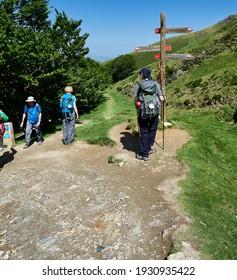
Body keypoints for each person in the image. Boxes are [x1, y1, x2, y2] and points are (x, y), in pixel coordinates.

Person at [134, 67, 164, 161]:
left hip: (143, 110)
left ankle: (144, 153)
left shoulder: (139, 84)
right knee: (153, 128)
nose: (140, 75)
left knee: (144, 130)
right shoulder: (155, 84)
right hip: (154, 111)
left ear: (143, 74)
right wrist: (164, 98)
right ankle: (149, 148)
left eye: (140, 73)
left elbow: (136, 98)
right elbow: (161, 98)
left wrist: (137, 104)